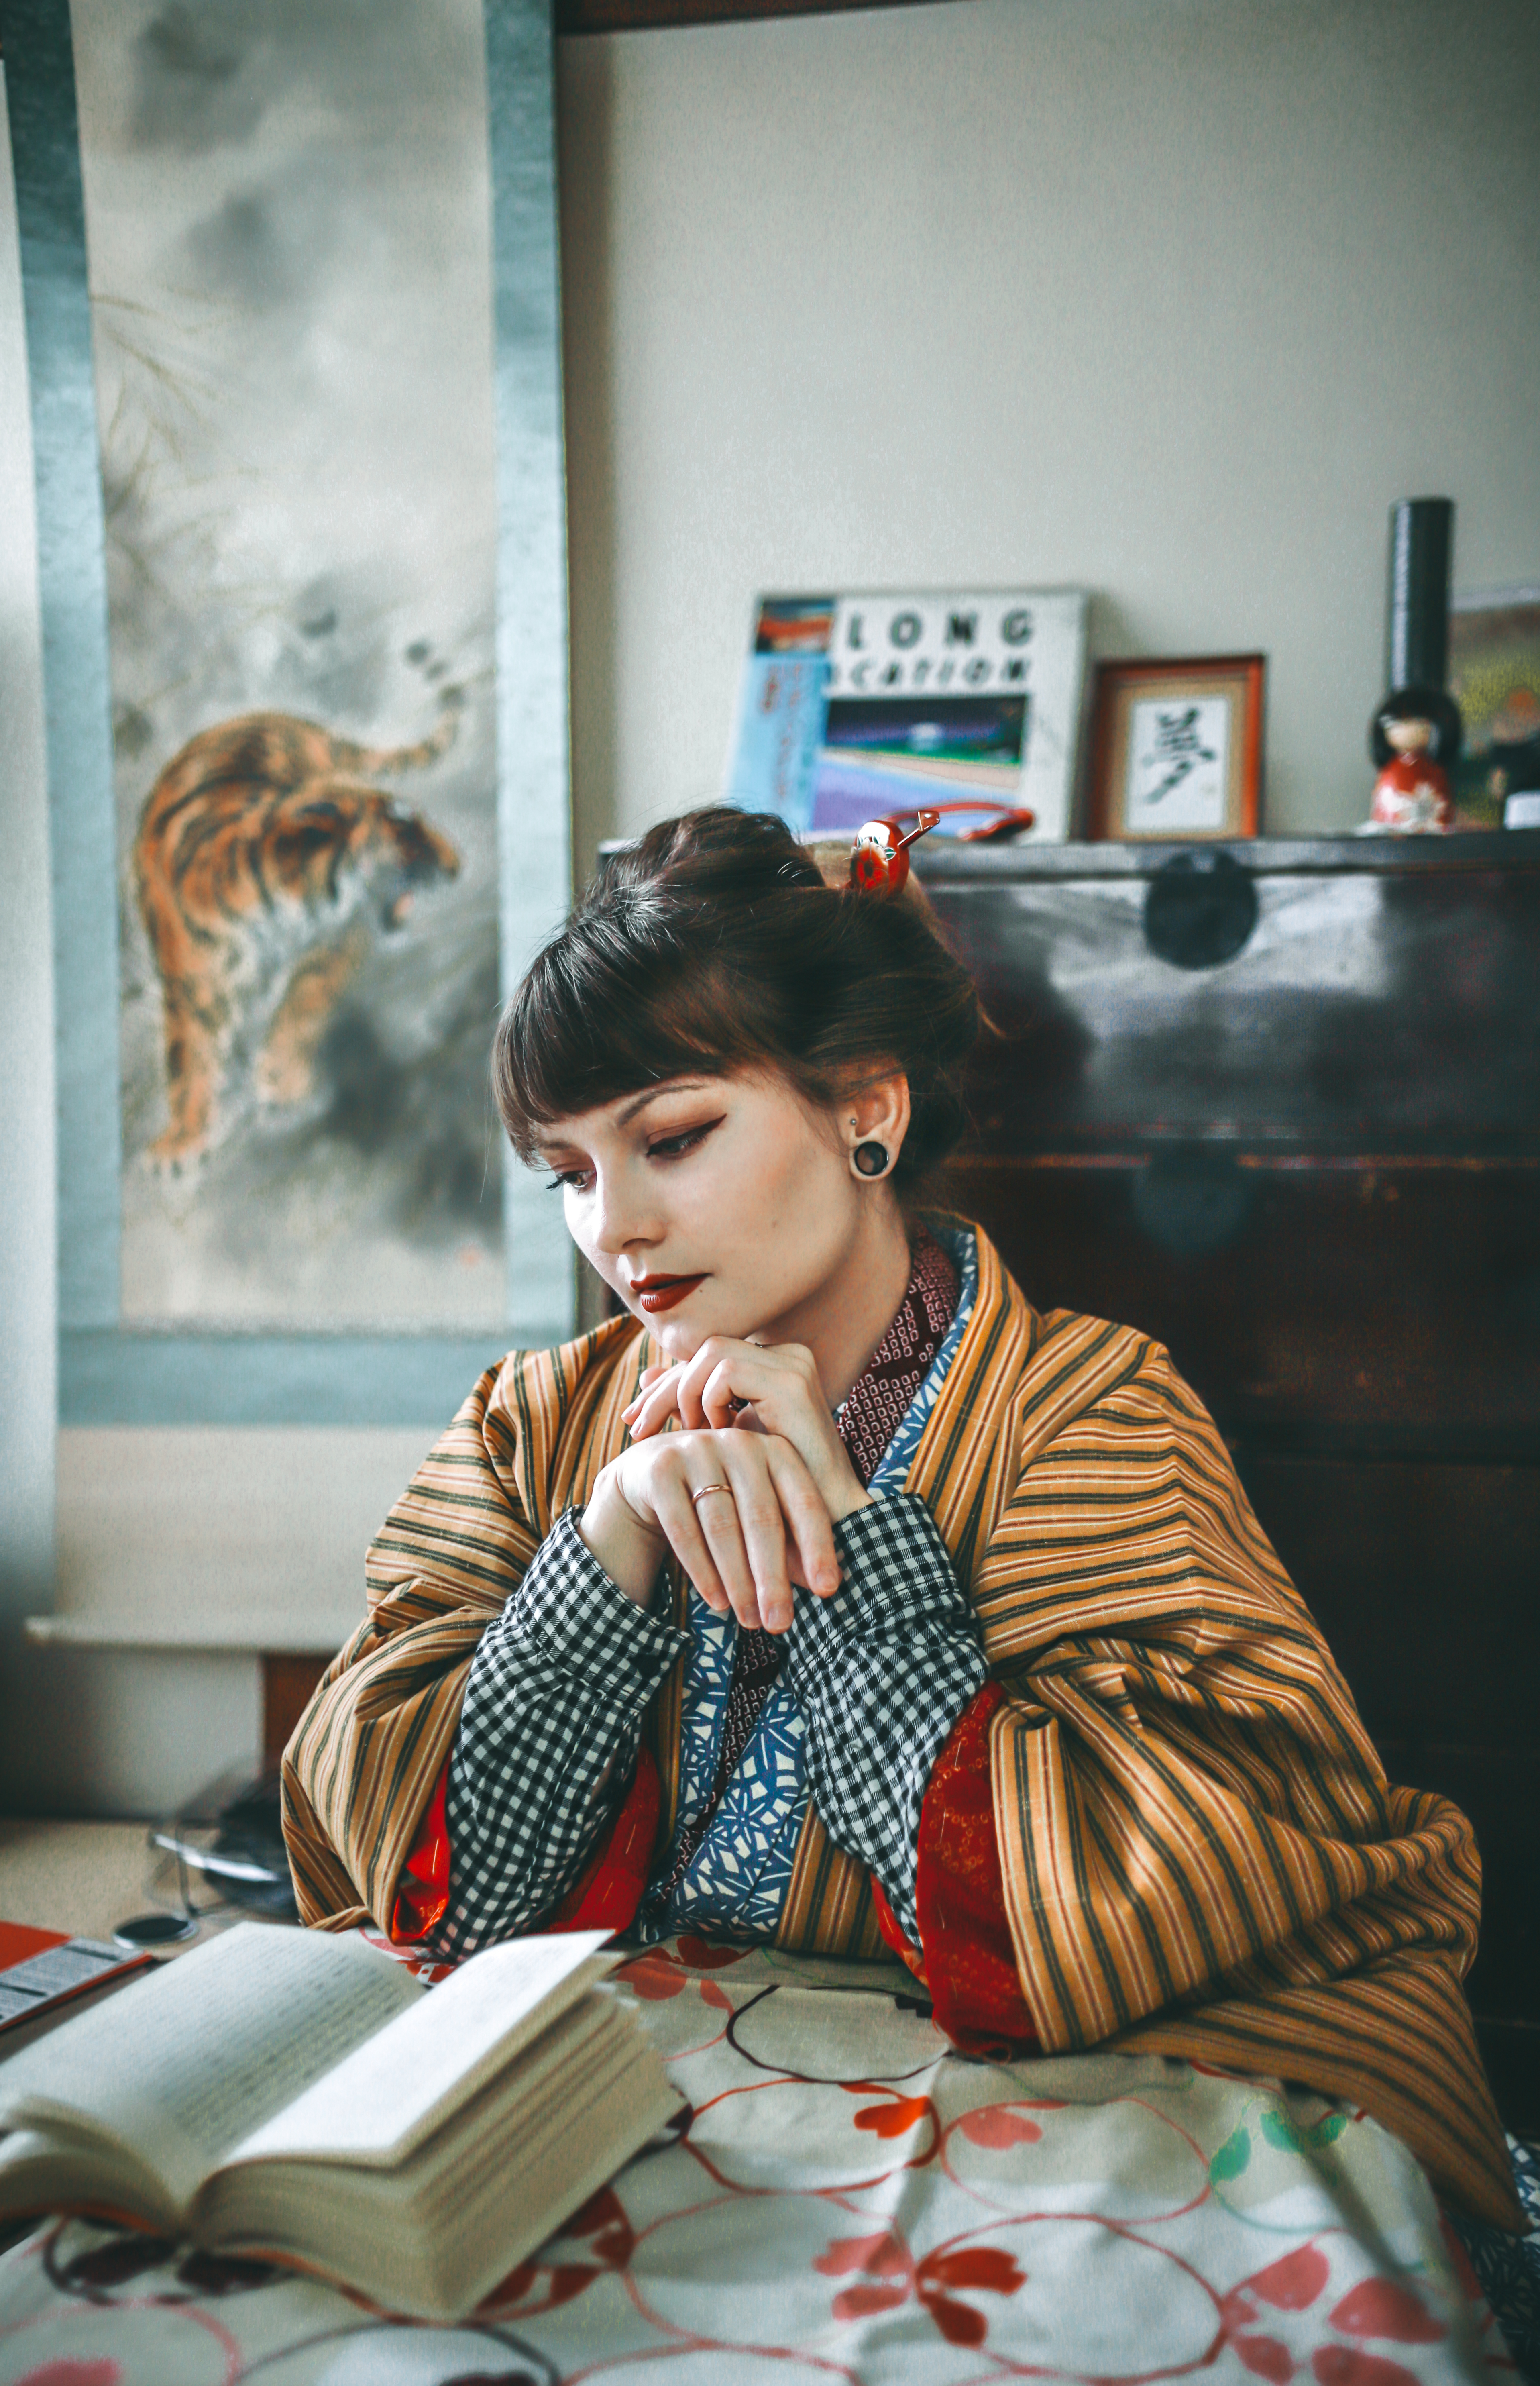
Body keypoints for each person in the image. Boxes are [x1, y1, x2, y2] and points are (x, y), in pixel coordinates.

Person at [282, 806, 1518, 2229]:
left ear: (865, 1109)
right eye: (568, 1173)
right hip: (620, 2092)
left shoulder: (1085, 1409)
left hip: (1044, 2102)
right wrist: (611, 1534)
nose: (611, 1227)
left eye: (672, 1138)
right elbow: (451, 1897)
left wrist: (848, 1535)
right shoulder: (531, 1423)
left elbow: (1143, 1884)